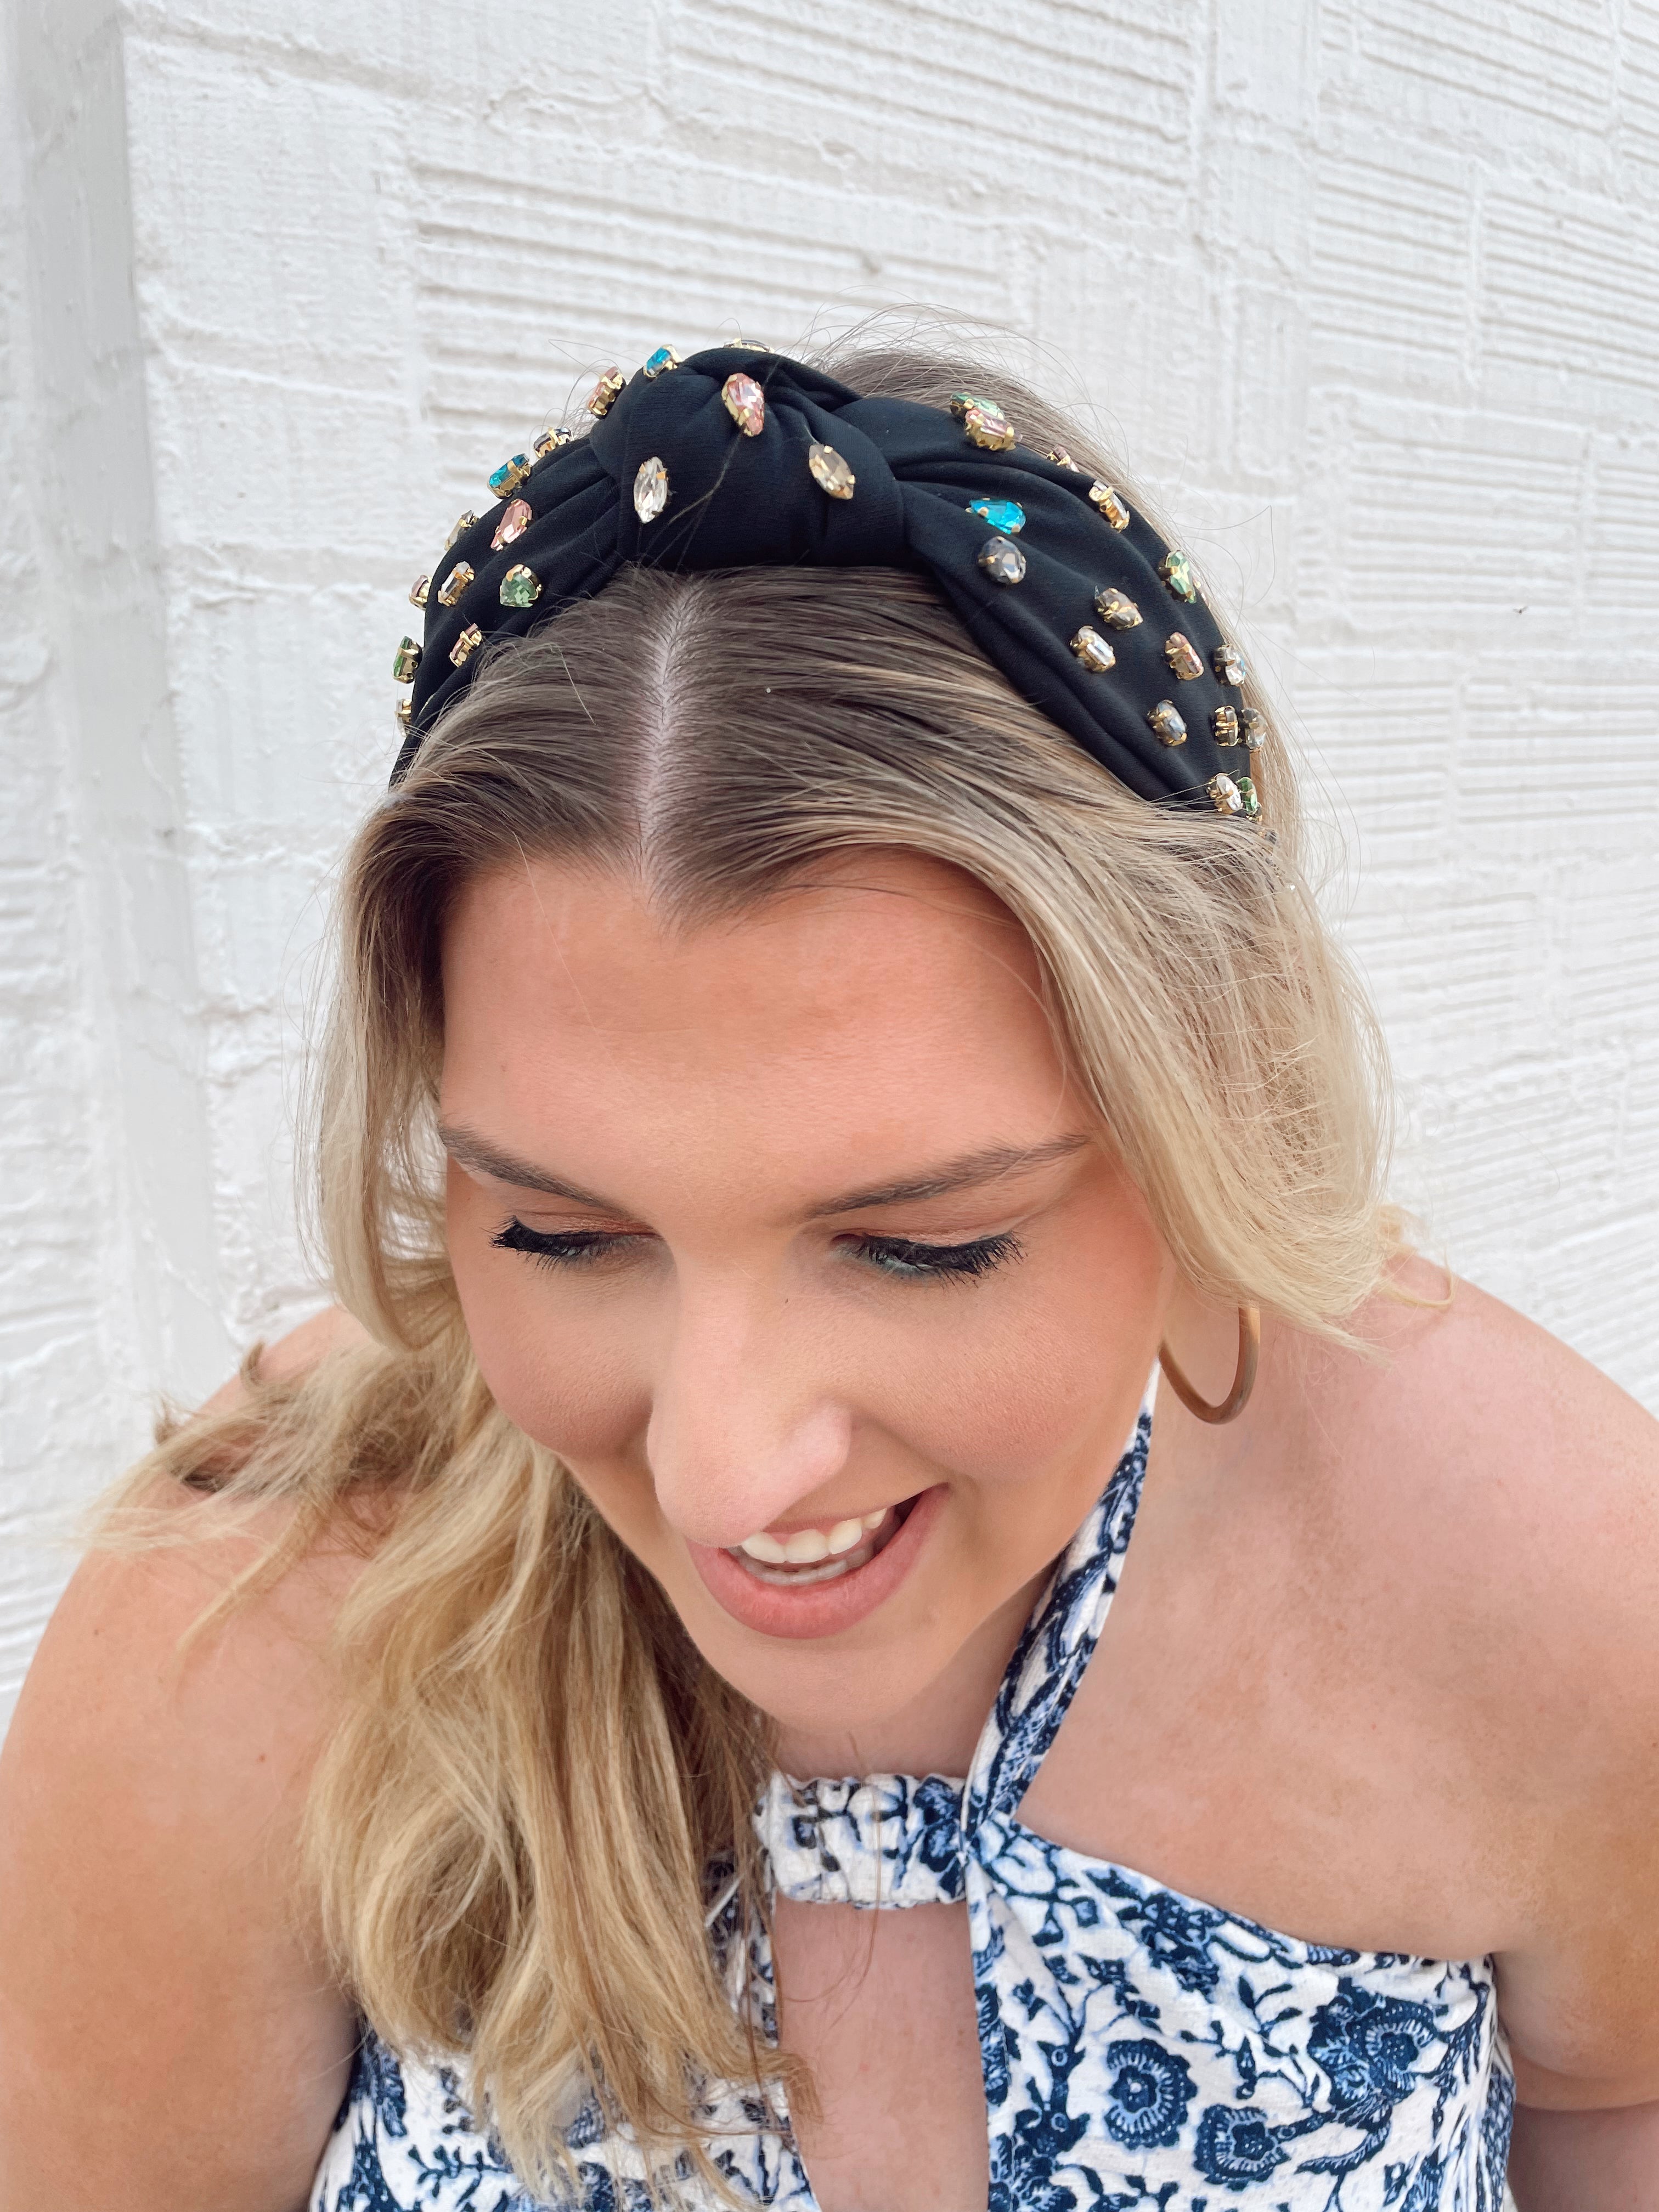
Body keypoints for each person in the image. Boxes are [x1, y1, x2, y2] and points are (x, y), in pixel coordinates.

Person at [1, 334, 1655, 2212]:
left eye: (919, 1245)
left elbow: (1618, 2104)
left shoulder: (1554, 1576)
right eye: (562, 1233)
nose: (724, 1474)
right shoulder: (241, 1626)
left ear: (1212, 1124)